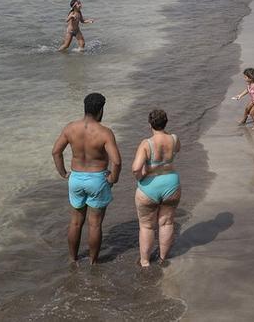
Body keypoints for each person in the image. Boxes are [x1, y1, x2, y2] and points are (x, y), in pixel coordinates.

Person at [52, 92, 121, 265]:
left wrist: (63, 173)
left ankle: (72, 259)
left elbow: (56, 152)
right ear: (100, 110)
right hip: (97, 179)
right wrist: (113, 178)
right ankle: (93, 262)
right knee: (95, 224)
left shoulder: (70, 128)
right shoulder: (105, 132)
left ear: (85, 108)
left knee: (75, 222)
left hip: (75, 178)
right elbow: (117, 161)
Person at [131, 108, 180, 267]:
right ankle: (163, 258)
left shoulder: (147, 143)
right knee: (167, 222)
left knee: (147, 226)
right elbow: (176, 150)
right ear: (166, 122)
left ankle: (145, 261)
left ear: (150, 124)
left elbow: (136, 168)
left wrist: (141, 177)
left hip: (150, 187)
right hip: (171, 184)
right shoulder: (174, 138)